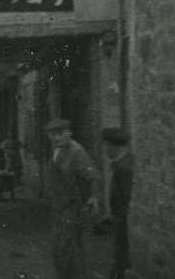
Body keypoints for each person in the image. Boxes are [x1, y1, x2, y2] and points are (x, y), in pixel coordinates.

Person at [45, 118, 100, 278]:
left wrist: (94, 197)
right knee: (59, 249)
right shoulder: (58, 149)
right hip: (59, 208)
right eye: (52, 134)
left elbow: (93, 176)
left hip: (72, 208)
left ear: (68, 133)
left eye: (60, 134)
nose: (56, 138)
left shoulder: (76, 152)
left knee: (69, 249)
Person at [101, 127, 133, 279]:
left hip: (122, 218)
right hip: (118, 217)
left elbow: (126, 197)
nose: (104, 150)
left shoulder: (124, 168)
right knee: (118, 254)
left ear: (112, 146)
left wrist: (117, 217)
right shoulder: (120, 163)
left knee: (120, 254)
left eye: (106, 146)